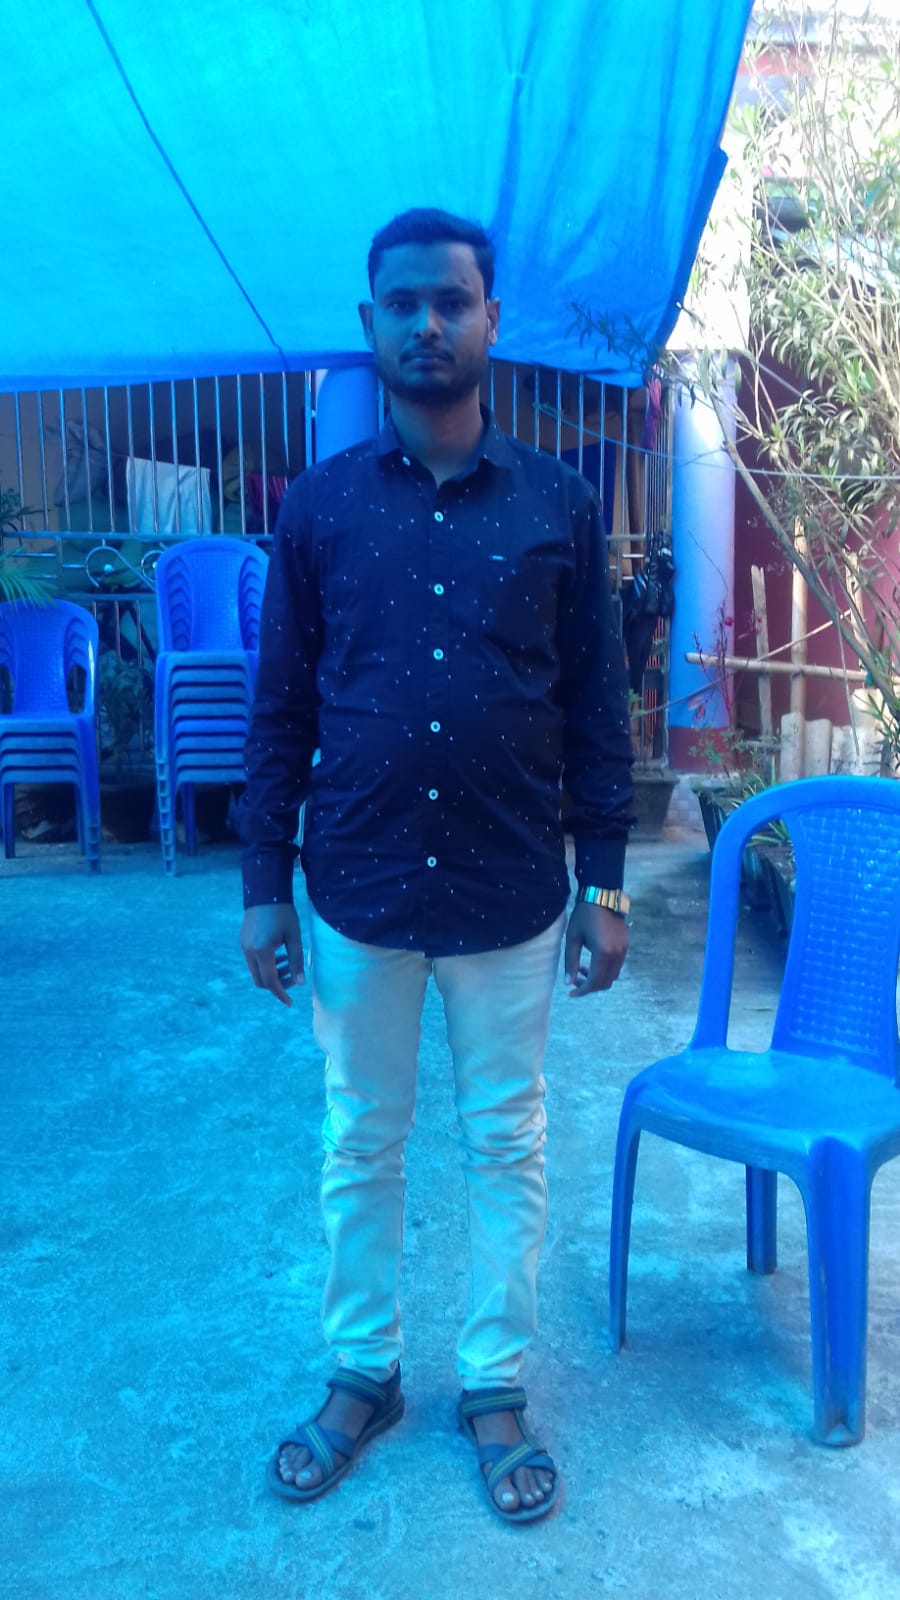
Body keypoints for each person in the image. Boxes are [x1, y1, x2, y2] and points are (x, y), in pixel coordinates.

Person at [239, 207, 634, 1524]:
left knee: (506, 1141)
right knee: (361, 1138)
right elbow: (281, 706)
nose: (425, 324)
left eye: (450, 302)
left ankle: (493, 1383)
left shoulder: (559, 503)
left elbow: (597, 709)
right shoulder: (320, 509)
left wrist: (606, 884)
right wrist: (262, 883)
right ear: (370, 324)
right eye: (402, 303)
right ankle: (363, 1370)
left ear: (489, 321)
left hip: (510, 893)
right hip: (357, 887)